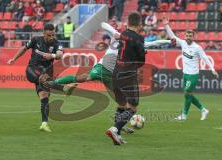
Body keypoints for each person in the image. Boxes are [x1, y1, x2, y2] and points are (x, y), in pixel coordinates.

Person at [45, 22, 171, 135]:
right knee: (82, 77)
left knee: (122, 103)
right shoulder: (118, 36)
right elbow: (103, 24)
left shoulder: (133, 42)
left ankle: (119, 127)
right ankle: (53, 82)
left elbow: (154, 43)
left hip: (113, 75)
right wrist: (115, 32)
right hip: (102, 68)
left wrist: (169, 41)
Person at [7, 24, 75, 132]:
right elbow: (24, 49)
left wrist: (52, 56)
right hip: (32, 69)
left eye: (53, 34)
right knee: (43, 79)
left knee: (44, 97)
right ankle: (64, 89)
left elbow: (60, 54)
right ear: (44, 34)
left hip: (46, 72)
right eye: (49, 35)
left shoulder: (57, 43)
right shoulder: (35, 40)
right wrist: (14, 59)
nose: (52, 37)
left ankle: (44, 123)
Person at [162, 17, 219, 121]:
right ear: (185, 36)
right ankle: (203, 110)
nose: (188, 37)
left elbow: (205, 58)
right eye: (187, 35)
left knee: (187, 93)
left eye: (190, 36)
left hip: (193, 74)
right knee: (187, 94)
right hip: (185, 74)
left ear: (193, 37)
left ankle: (184, 115)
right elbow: (172, 36)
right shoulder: (183, 43)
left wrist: (212, 69)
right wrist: (166, 25)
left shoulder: (197, 48)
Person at [105, 12, 145, 145]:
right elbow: (141, 60)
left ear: (128, 22)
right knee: (132, 108)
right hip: (128, 74)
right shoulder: (138, 37)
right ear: (139, 23)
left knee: (122, 104)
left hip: (116, 73)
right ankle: (115, 129)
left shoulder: (122, 35)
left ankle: (117, 134)